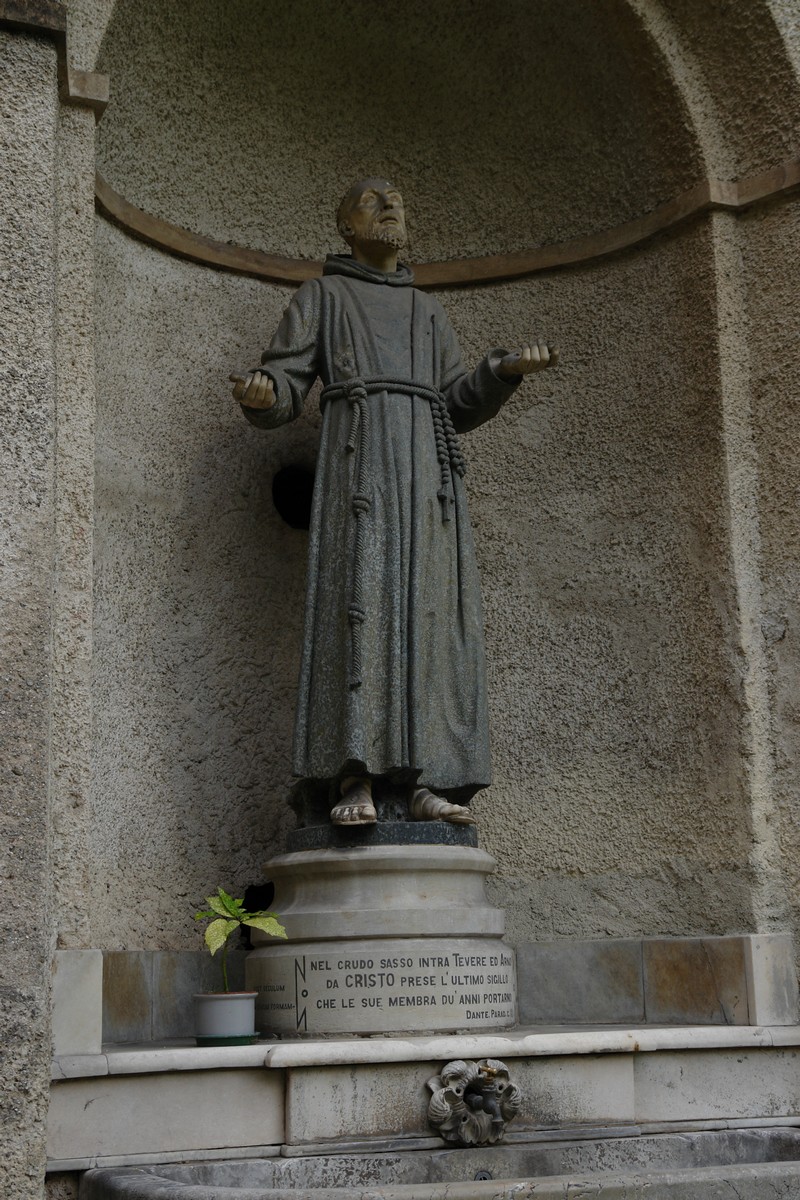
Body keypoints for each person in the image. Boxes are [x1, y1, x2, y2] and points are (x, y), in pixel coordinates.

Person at [231, 179, 558, 827]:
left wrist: (500, 373)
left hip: (427, 482)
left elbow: (454, 403)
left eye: (398, 201)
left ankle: (424, 780)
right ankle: (354, 774)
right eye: (372, 200)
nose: (390, 207)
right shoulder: (322, 296)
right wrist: (265, 393)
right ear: (345, 227)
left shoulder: (426, 311)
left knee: (428, 616)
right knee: (361, 605)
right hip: (358, 471)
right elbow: (286, 382)